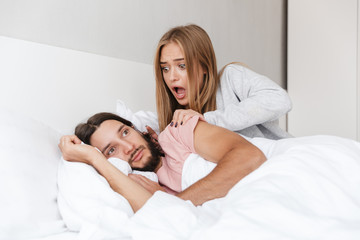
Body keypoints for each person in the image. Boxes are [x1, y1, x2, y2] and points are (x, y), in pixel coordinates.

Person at [59, 112, 266, 211]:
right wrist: (92, 157)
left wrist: (174, 202)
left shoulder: (176, 133)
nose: (129, 147)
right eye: (112, 150)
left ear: (140, 131)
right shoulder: (139, 184)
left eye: (125, 132)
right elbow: (156, 216)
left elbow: (250, 157)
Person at [152, 24, 292, 139]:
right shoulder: (179, 120)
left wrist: (209, 120)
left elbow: (280, 100)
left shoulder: (230, 78)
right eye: (165, 68)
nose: (171, 77)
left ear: (205, 66)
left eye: (182, 66)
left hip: (285, 158)